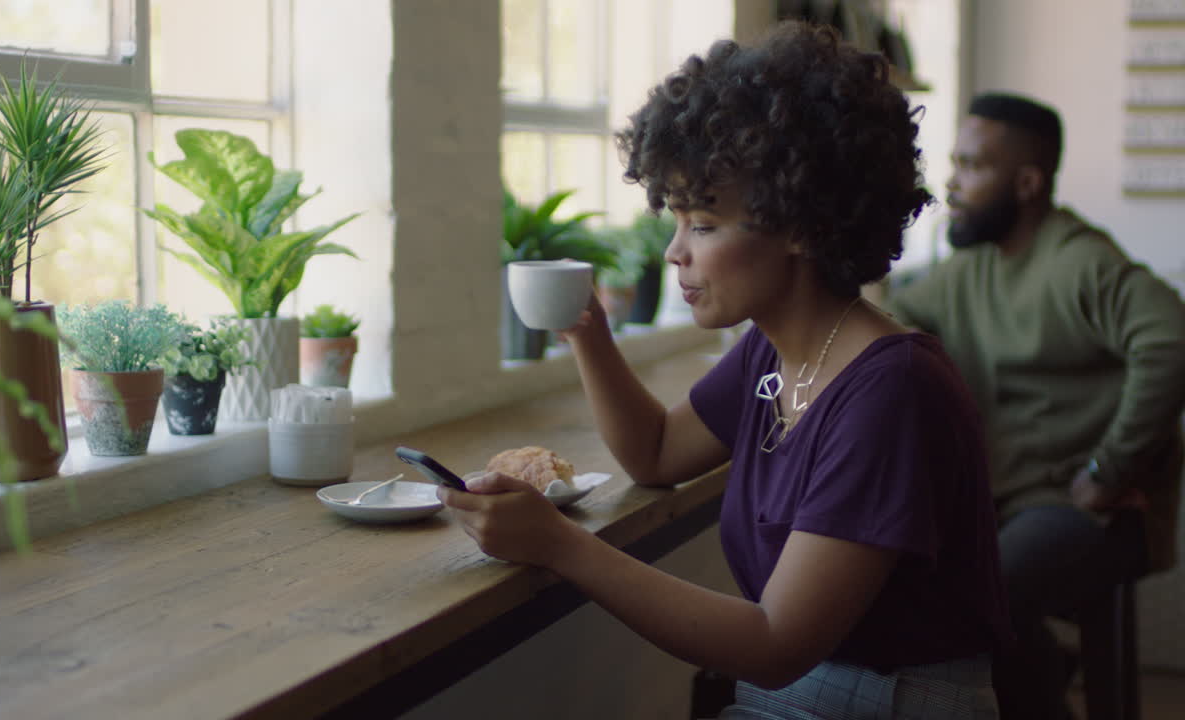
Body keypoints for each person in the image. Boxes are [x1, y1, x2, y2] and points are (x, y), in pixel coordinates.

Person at [439, 22, 1012, 719]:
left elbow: (777, 645)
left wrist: (561, 545)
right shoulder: (775, 351)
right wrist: (585, 327)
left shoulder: (891, 392)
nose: (675, 252)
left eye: (704, 224)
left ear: (804, 225)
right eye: (676, 218)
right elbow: (655, 452)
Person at [885, 92, 1185, 719]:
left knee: (980, 596)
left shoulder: (1078, 261)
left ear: (1026, 182)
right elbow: (890, 320)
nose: (952, 182)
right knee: (898, 580)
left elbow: (1170, 337)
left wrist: (1110, 469)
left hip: (1090, 510)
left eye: (972, 166)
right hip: (1005, 506)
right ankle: (1040, 667)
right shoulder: (970, 270)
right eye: (954, 162)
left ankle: (1037, 673)